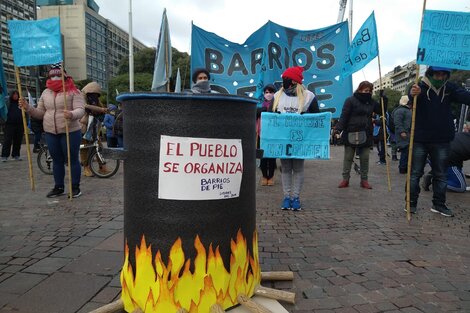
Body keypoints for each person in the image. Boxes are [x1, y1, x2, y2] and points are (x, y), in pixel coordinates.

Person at [408, 66, 470, 216]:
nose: (440, 78)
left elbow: (465, 97)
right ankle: (410, 203)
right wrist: (412, 94)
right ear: (430, 74)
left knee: (441, 174)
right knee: (415, 173)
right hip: (420, 139)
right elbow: (411, 98)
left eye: (443, 75)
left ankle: (439, 204)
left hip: (442, 140)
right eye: (437, 74)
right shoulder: (419, 87)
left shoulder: (450, 88)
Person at [19, 63, 85, 198]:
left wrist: (72, 114)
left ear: (65, 76)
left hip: (70, 131)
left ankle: (75, 187)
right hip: (50, 131)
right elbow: (40, 113)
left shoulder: (74, 91)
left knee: (72, 159)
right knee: (56, 160)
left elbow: (81, 109)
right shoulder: (46, 92)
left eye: (58, 75)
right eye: (52, 75)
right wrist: (28, 108)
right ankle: (58, 186)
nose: (54, 78)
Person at [269, 66, 319, 211]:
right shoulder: (277, 96)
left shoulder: (309, 96)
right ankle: (286, 197)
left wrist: (305, 119)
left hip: (300, 139)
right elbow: (270, 117)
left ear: (294, 81)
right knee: (285, 168)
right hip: (283, 139)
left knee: (297, 168)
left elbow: (316, 117)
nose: (284, 82)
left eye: (287, 79)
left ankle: (295, 197)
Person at [335, 81, 381, 190]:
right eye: (366, 90)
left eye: (370, 91)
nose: (368, 93)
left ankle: (364, 180)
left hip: (366, 133)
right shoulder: (350, 100)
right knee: (348, 157)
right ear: (359, 89)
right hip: (350, 132)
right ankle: (345, 179)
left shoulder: (371, 102)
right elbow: (344, 115)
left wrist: (383, 99)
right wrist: (338, 129)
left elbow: (381, 111)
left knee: (365, 158)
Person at [80, 82, 108, 177]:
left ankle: (102, 167)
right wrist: (101, 110)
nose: (94, 96)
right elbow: (85, 107)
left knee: (98, 147)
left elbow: (101, 108)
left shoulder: (97, 100)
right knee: (84, 147)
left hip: (94, 127)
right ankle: (86, 167)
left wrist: (103, 110)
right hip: (83, 127)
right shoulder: (81, 98)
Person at [257, 84, 277, 186]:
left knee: (272, 157)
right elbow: (255, 113)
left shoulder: (277, 105)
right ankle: (264, 176)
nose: (268, 94)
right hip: (262, 135)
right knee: (263, 157)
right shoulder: (260, 104)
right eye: (266, 92)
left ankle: (271, 176)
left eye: (271, 92)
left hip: (273, 135)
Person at [1, 90, 24, 161]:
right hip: (9, 125)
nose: (15, 96)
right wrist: (4, 121)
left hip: (19, 124)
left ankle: (16, 155)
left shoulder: (21, 103)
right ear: (11, 95)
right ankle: (4, 155)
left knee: (18, 140)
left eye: (17, 94)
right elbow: (3, 112)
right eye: (14, 94)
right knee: (7, 140)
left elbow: (25, 112)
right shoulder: (7, 102)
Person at [393, 95, 412, 174]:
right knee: (405, 151)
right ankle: (403, 168)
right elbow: (398, 122)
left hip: (406, 133)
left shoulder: (406, 110)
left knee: (407, 151)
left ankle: (405, 167)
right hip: (403, 134)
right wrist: (402, 132)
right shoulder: (401, 111)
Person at [372, 93, 388, 165]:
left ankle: (382, 160)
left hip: (381, 133)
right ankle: (381, 159)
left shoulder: (383, 113)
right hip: (379, 133)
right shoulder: (379, 114)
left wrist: (374, 120)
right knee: (380, 147)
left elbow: (382, 122)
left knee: (381, 148)